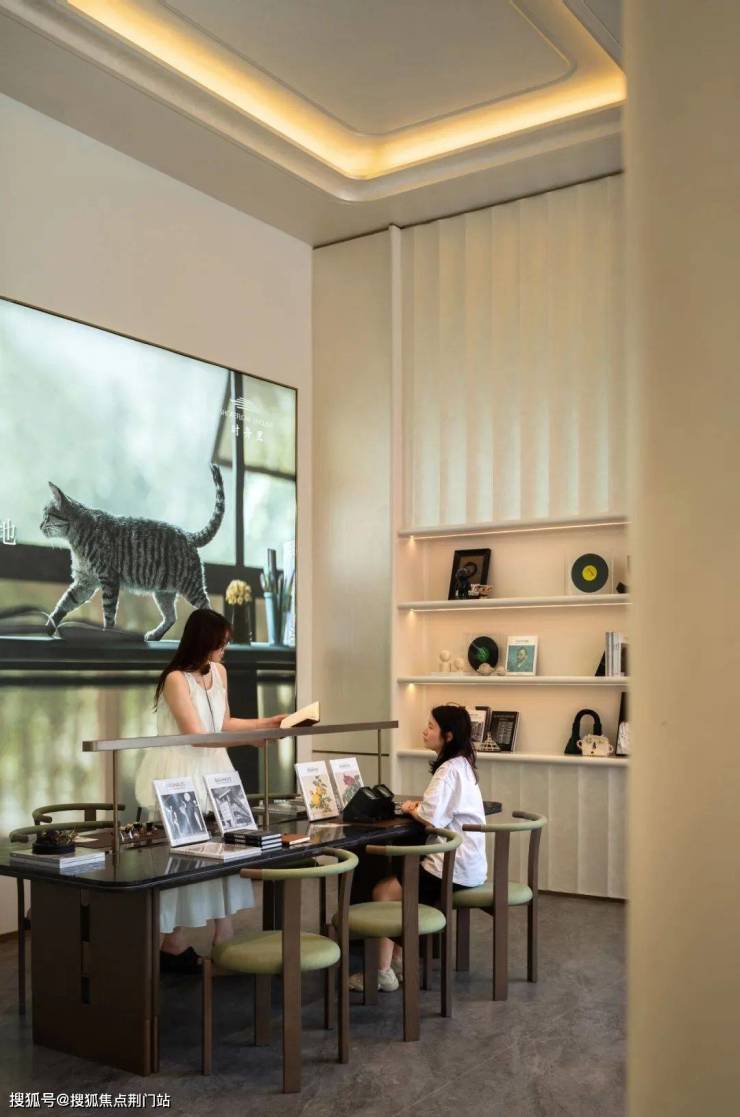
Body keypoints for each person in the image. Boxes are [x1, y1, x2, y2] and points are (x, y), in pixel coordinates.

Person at [135, 607, 284, 972]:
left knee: (226, 850)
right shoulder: (175, 679)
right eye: (220, 643)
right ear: (203, 642)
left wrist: (269, 722)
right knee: (183, 859)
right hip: (181, 772)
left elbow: (223, 722)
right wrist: (250, 740)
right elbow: (195, 734)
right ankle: (173, 939)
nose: (223, 650)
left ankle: (216, 935)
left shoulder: (219, 672)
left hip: (215, 769)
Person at [350, 704, 487, 993]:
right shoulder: (463, 765)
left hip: (451, 868)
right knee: (404, 883)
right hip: (470, 866)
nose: (424, 731)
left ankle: (381, 973)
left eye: (431, 727)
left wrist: (412, 809)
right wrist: (419, 809)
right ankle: (398, 961)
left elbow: (431, 817)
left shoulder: (448, 770)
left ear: (448, 736)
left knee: (384, 892)